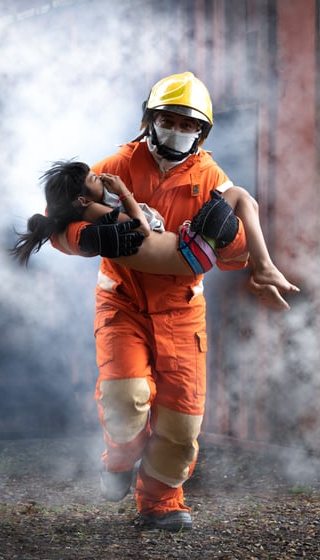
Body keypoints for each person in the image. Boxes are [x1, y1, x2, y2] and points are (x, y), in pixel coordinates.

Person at [49, 72, 297, 532]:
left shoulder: (210, 179)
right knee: (126, 400)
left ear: (201, 133)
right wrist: (86, 238)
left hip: (182, 313)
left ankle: (160, 503)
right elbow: (56, 222)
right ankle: (120, 457)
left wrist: (234, 244)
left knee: (181, 427)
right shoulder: (115, 167)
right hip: (122, 304)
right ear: (149, 120)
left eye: (188, 125)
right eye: (168, 119)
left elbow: (234, 251)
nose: (177, 130)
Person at [10, 159, 299, 300]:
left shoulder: (86, 208)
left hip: (188, 250)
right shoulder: (94, 211)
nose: (101, 177)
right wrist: (124, 192)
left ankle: (264, 268)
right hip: (190, 252)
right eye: (95, 178)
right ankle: (265, 267)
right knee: (239, 196)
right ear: (83, 199)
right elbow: (142, 229)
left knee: (244, 201)